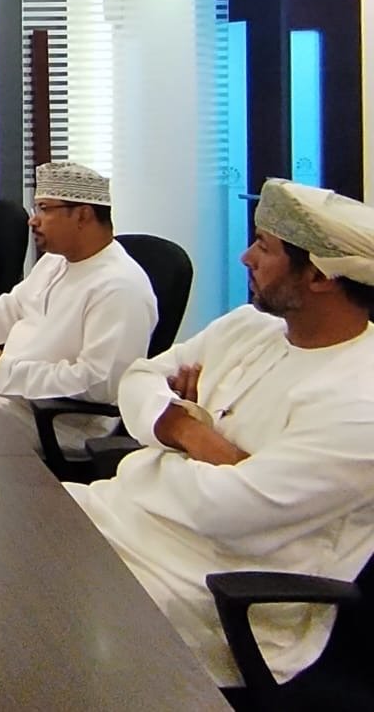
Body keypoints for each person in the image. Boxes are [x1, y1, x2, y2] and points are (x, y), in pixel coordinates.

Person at [67, 179, 374, 690]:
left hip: (204, 584)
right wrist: (186, 428)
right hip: (118, 517)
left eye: (264, 248)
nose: (245, 257)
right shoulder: (248, 327)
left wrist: (154, 449)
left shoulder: (360, 399)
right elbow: (137, 379)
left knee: (14, 614)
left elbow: (227, 511)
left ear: (320, 275)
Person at [0, 161, 157, 451]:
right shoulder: (55, 261)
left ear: (83, 215)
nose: (32, 221)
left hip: (59, 422)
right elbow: (8, 310)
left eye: (45, 209)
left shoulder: (120, 287)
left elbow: (98, 383)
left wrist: (6, 370)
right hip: (11, 395)